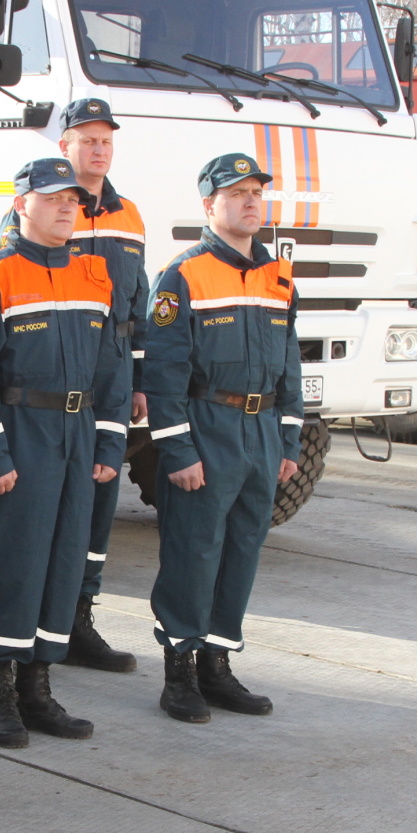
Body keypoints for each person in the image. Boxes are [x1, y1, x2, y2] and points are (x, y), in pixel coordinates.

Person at [0, 156, 127, 747]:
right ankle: (1, 697)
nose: (66, 208)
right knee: (12, 562)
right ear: (22, 203)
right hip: (20, 430)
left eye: (73, 199)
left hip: (77, 433)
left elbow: (110, 368)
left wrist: (107, 438)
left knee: (62, 562)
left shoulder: (95, 276)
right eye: (53, 199)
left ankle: (38, 689)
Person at [144, 154, 300, 724]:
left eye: (257, 192)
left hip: (260, 432)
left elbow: (289, 362)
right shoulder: (182, 275)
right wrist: (178, 449)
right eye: (237, 194)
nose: (252, 202)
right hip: (208, 428)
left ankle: (218, 663)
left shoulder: (277, 276)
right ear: (209, 206)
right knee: (194, 550)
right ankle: (179, 671)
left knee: (241, 552)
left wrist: (289, 440)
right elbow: (162, 374)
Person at [59, 98, 147, 673]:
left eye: (105, 140)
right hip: (61, 360)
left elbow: (137, 299)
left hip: (113, 364)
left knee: (101, 492)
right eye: (87, 139)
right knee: (55, 494)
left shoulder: (130, 214)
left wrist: (137, 373)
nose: (98, 149)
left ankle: (80, 619)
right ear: (64, 146)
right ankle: (45, 615)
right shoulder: (40, 204)